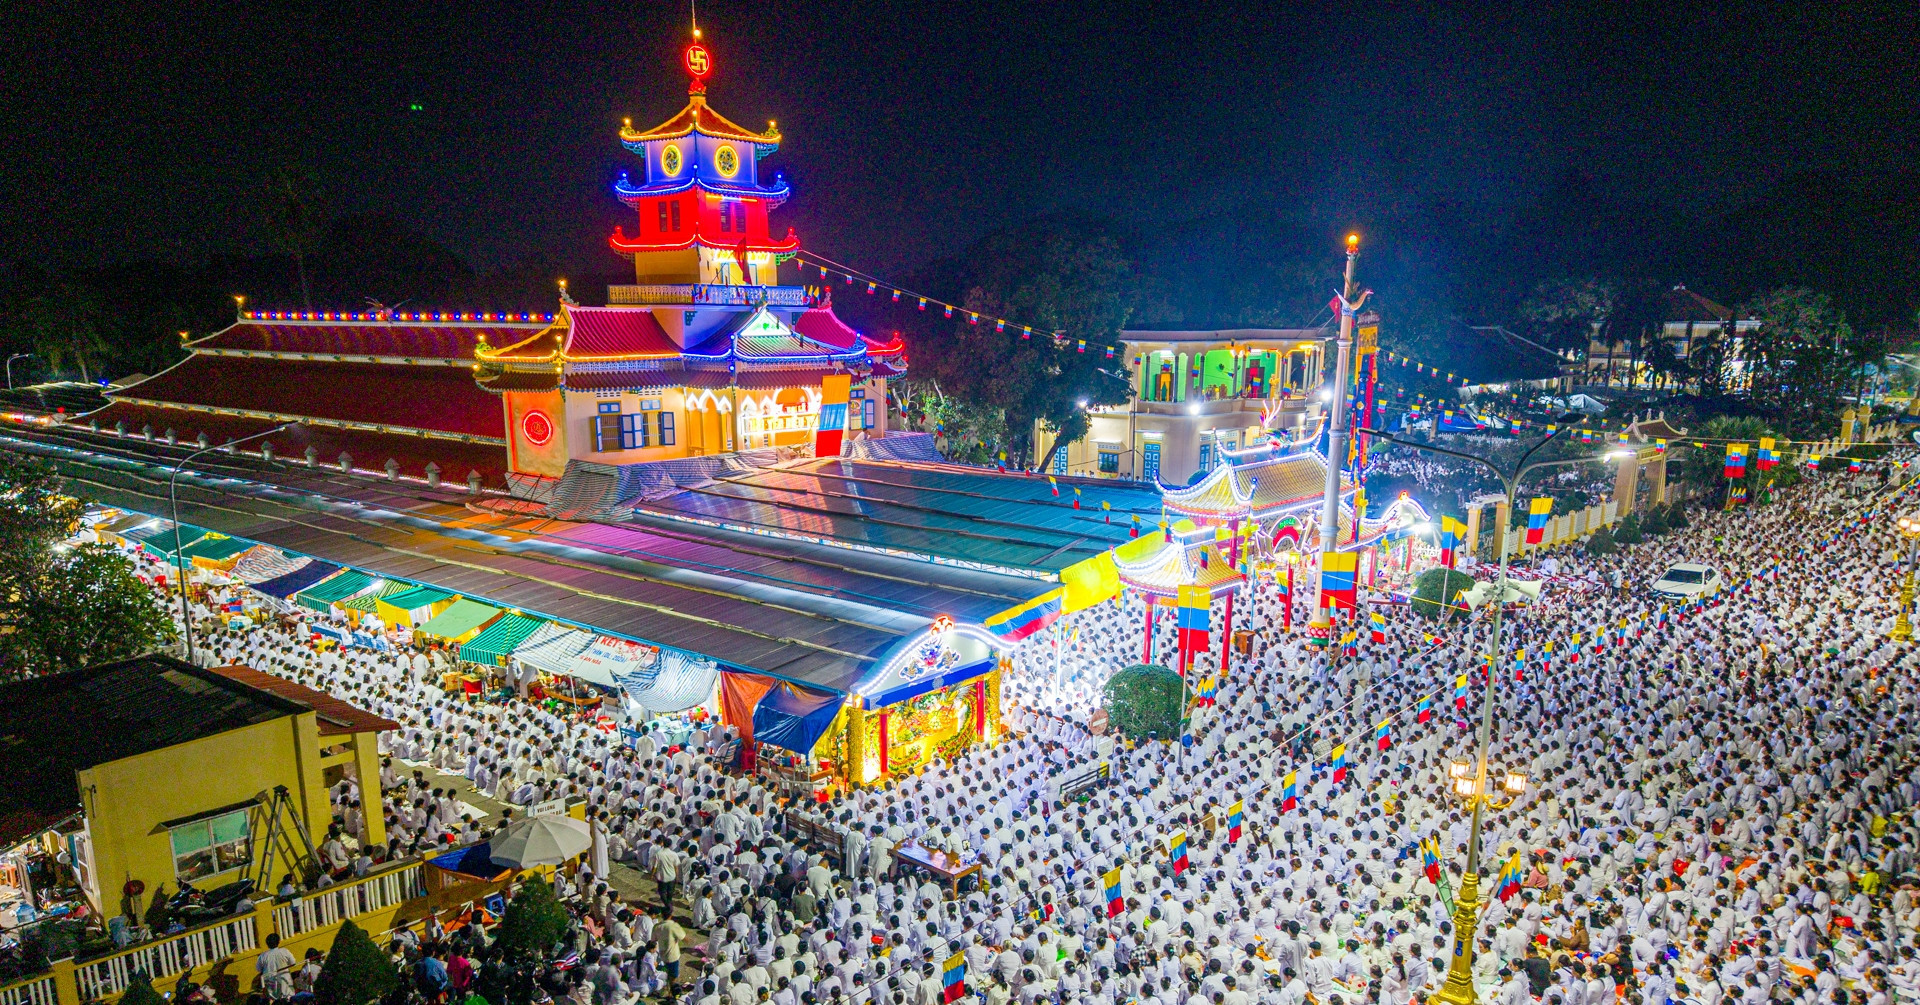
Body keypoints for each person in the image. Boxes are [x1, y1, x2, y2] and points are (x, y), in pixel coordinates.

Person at [257, 932, 297, 1001]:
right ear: (278, 941)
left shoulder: (262, 956)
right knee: (289, 999)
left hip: (271, 984)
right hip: (285, 981)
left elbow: (258, 969)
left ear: (267, 944)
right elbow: (293, 962)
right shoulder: (284, 951)